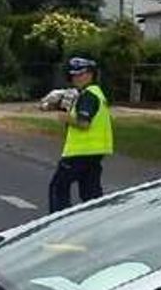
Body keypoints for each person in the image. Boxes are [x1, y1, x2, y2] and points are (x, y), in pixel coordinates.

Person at [48, 57, 113, 213]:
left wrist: (67, 118)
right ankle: (95, 220)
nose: (76, 78)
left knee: (58, 187)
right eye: (74, 75)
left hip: (79, 152)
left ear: (90, 75)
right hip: (96, 151)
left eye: (80, 74)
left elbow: (84, 123)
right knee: (90, 193)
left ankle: (58, 222)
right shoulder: (97, 93)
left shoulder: (88, 96)